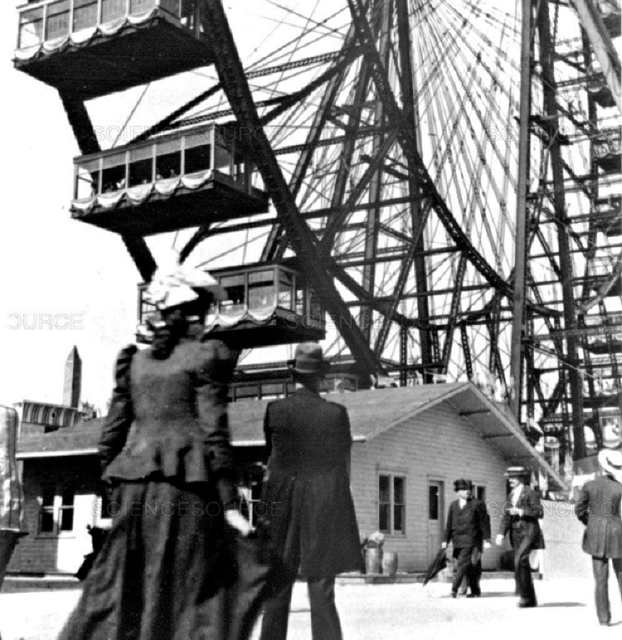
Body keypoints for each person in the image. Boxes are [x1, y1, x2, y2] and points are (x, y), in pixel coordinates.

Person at [57, 264, 252, 640]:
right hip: (185, 492)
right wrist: (229, 504)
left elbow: (109, 441)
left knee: (122, 591)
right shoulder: (204, 357)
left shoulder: (134, 362)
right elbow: (214, 432)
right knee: (190, 591)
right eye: (207, 311)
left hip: (133, 493)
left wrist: (116, 501)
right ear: (194, 314)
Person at [258, 343, 363, 640]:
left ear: (295, 377)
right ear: (322, 378)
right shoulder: (336, 414)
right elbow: (343, 451)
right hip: (322, 501)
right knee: (321, 585)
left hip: (282, 500)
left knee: (278, 582)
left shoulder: (275, 410)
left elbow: (271, 452)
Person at [575, 448, 622, 627]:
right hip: (618, 533)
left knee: (600, 579)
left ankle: (604, 619)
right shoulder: (619, 487)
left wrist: (591, 522)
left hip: (595, 534)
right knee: (621, 575)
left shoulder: (589, 485)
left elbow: (579, 510)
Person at [495, 466, 543, 608]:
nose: (510, 480)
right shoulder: (510, 495)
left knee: (520, 560)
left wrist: (522, 511)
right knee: (522, 564)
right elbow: (506, 516)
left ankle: (525, 597)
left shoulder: (530, 493)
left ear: (521, 478)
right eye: (509, 477)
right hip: (515, 533)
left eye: (514, 477)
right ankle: (530, 598)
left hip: (528, 531)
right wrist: (500, 534)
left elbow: (539, 512)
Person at [442, 479, 491, 598]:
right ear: (457, 492)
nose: (467, 491)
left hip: (471, 539)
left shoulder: (477, 504)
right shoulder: (453, 505)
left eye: (469, 489)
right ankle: (475, 590)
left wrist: (487, 539)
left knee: (463, 564)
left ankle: (454, 589)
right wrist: (445, 540)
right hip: (457, 540)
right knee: (469, 565)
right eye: (464, 489)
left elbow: (484, 523)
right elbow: (449, 524)